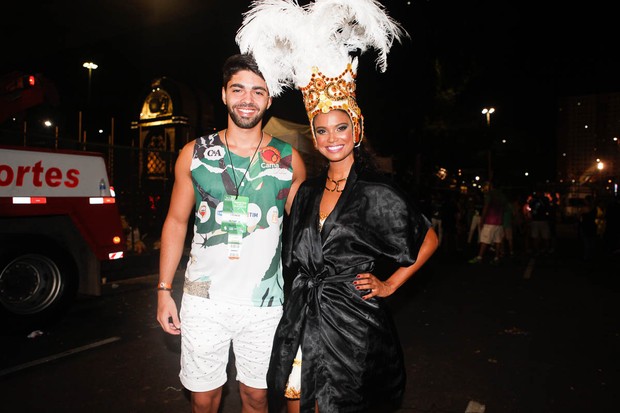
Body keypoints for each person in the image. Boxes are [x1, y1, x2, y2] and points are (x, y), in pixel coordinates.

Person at [235, 1, 438, 411]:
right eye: (322, 130)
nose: (332, 138)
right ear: (312, 134)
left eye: (341, 127)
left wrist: (390, 284)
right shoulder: (307, 190)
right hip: (302, 319)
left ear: (356, 127)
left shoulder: (375, 191)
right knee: (293, 403)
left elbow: (428, 239)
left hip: (352, 327)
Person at [156, 53, 306, 413]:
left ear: (269, 100)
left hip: (266, 304)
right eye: (238, 89)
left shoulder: (288, 160)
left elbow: (306, 232)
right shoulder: (194, 154)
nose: (247, 99)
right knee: (204, 399)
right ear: (224, 94)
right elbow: (176, 222)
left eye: (258, 91)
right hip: (203, 300)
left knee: (256, 397)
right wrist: (163, 290)